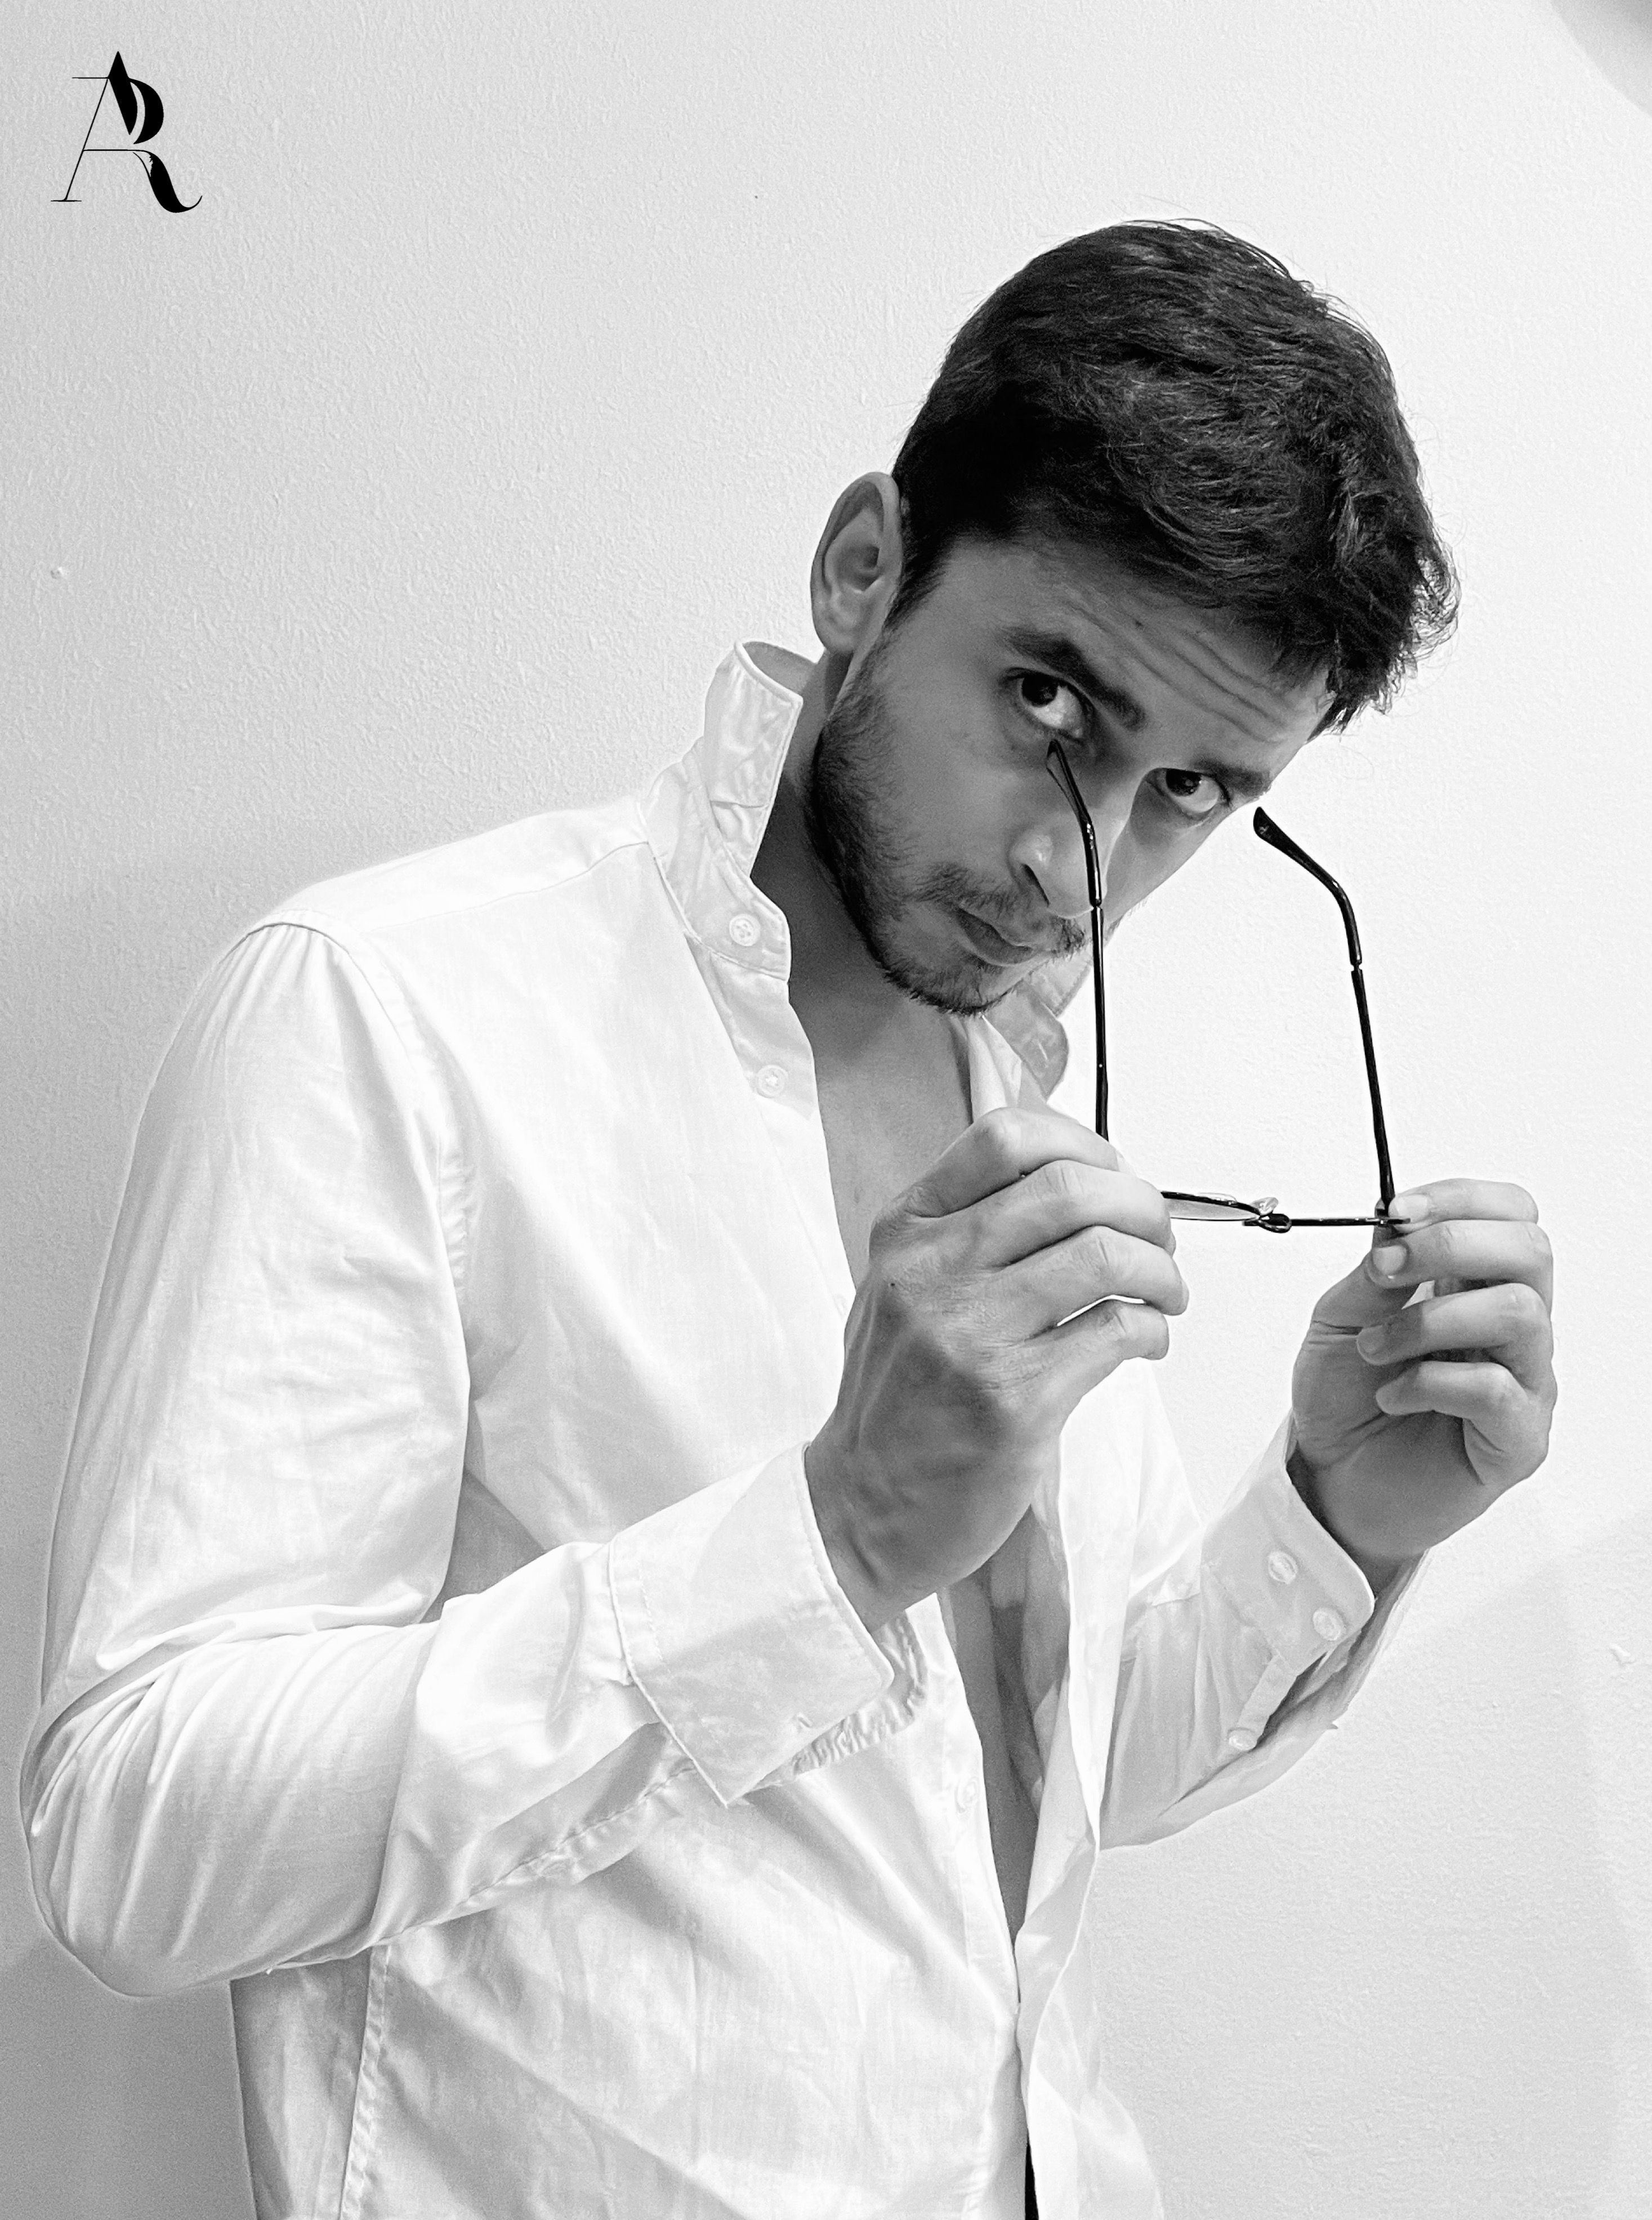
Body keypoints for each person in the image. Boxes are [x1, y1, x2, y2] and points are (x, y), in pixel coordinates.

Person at [23, 221, 1556, 2220]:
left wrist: (1345, 1515)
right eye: (1052, 701)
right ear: (860, 569)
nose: (1076, 868)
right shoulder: (387, 1014)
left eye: (1190, 790)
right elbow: (131, 1836)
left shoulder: (1025, 1107)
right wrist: (820, 1541)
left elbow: (1045, 1781)